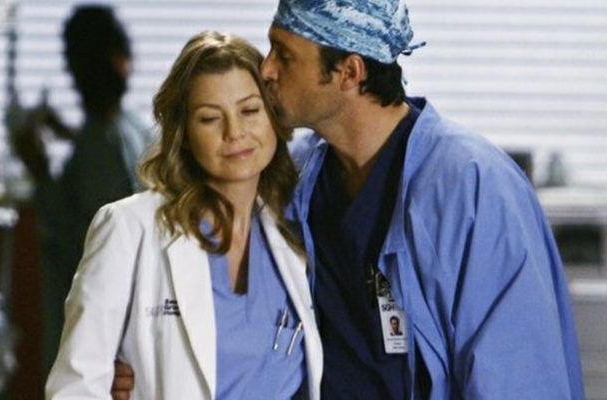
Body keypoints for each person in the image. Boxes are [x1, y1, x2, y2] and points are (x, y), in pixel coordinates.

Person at [112, 1, 585, 399]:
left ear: (349, 72)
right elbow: (237, 318)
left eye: (284, 55)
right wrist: (145, 367)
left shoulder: (473, 188)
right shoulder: (295, 180)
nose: (266, 70)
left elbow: (522, 379)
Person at [45, 30, 323, 400]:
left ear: (274, 117)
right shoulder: (129, 229)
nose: (234, 132)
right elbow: (75, 388)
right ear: (184, 132)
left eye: (249, 111)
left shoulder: (295, 235)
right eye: (210, 118)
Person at [9, 5, 155, 376]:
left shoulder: (101, 142)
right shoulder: (127, 128)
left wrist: (40, 170)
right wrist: (68, 134)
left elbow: (82, 241)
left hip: (101, 323)